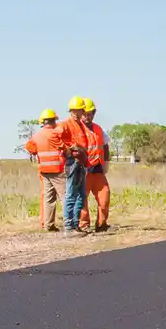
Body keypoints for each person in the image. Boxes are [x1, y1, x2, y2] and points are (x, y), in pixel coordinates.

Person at [24, 108, 66, 231]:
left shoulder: (36, 136)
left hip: (44, 171)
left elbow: (30, 148)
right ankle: (70, 223)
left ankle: (48, 225)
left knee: (49, 199)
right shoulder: (56, 134)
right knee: (65, 197)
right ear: (54, 121)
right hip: (57, 170)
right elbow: (64, 148)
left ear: (43, 121)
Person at [56, 97, 91, 236]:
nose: (77, 113)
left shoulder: (80, 125)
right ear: (70, 111)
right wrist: (66, 149)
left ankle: (76, 225)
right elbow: (54, 137)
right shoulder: (65, 124)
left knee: (81, 196)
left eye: (79, 110)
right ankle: (68, 227)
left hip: (81, 163)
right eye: (74, 111)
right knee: (71, 195)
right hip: (72, 163)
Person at [80, 98, 111, 232]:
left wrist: (106, 164)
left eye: (90, 113)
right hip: (83, 170)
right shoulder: (77, 129)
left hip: (98, 170)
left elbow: (105, 146)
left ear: (94, 113)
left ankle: (101, 224)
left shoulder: (98, 129)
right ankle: (83, 225)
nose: (87, 116)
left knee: (105, 196)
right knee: (82, 200)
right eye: (85, 113)